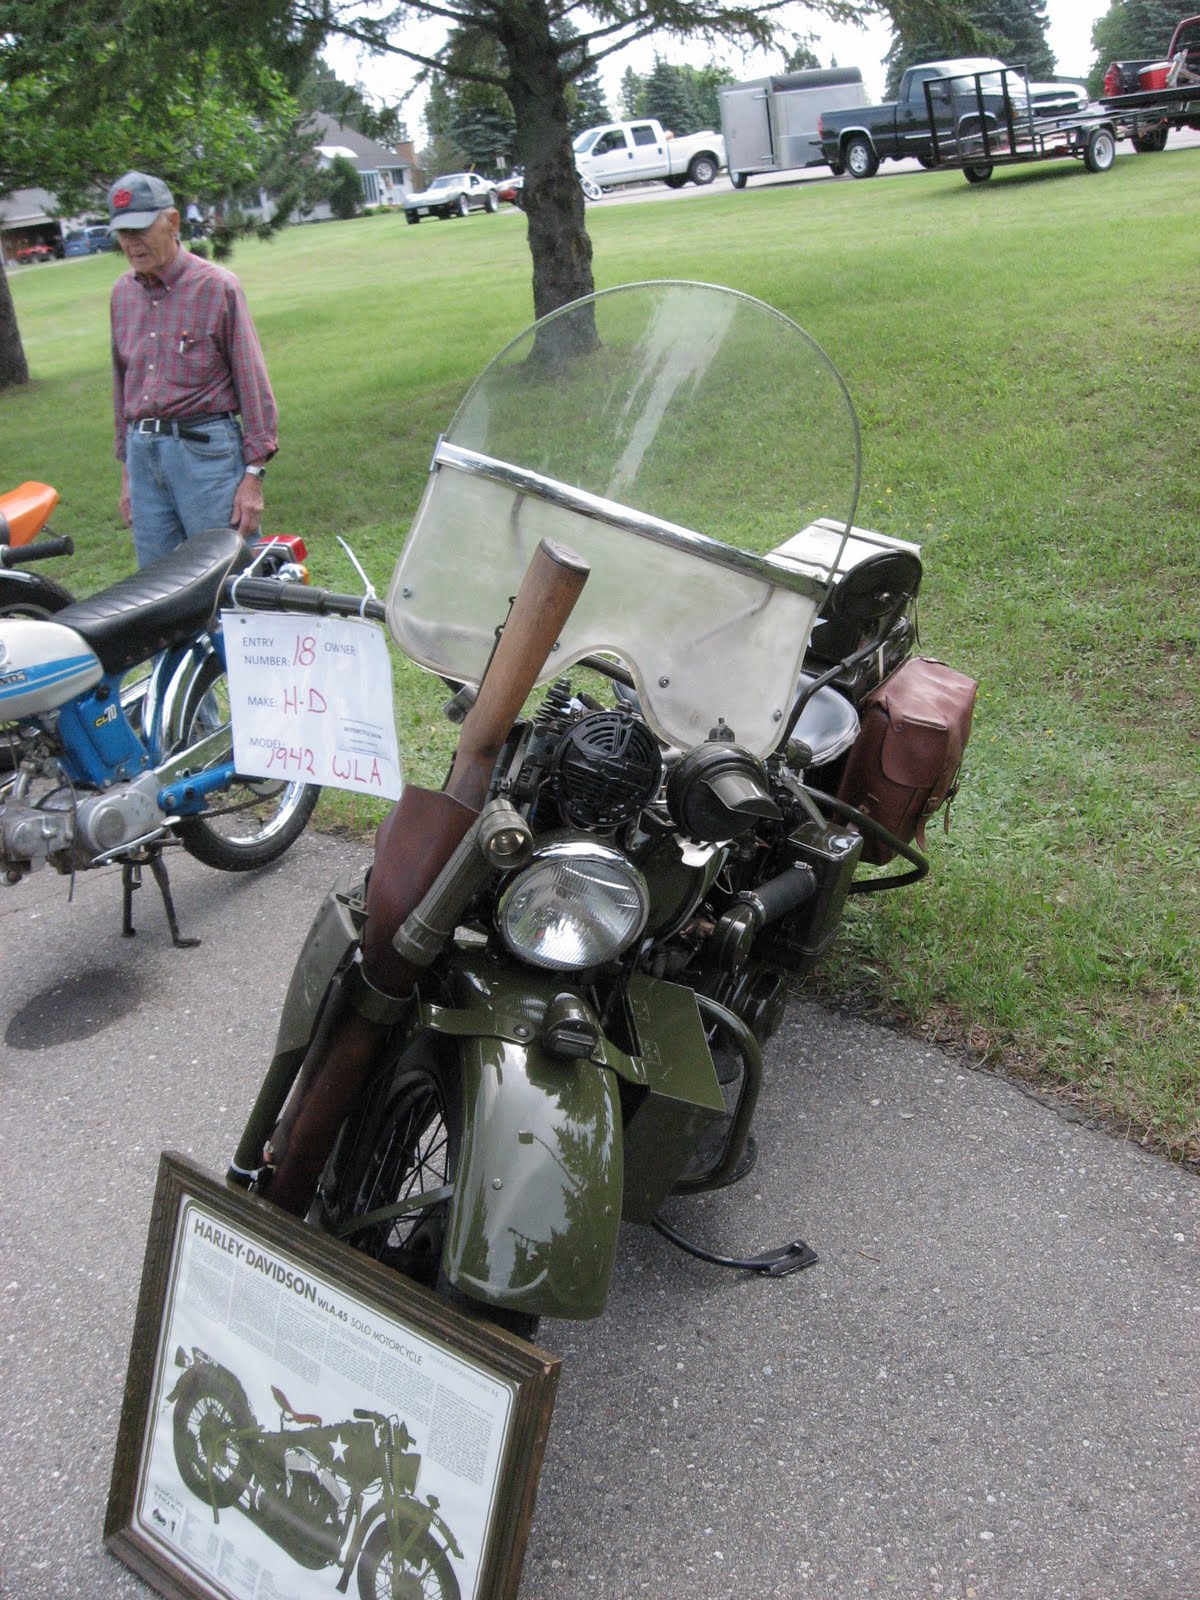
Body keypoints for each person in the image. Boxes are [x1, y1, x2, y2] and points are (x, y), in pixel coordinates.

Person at [108, 171, 278, 567]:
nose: (132, 243)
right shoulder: (122, 294)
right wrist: (128, 474)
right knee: (156, 586)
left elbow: (253, 385)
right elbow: (123, 386)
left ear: (172, 222)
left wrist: (253, 478)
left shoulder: (217, 287)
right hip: (143, 454)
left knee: (224, 576)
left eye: (140, 229)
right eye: (123, 233)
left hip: (205, 455)